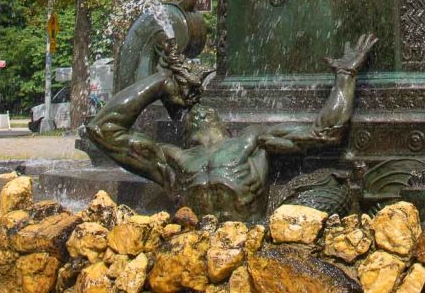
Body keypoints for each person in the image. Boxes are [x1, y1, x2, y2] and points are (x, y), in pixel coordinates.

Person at [82, 36, 377, 219]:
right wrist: (160, 83)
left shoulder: (253, 141)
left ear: (221, 120)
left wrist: (346, 74)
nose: (197, 111)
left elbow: (326, 132)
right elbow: (102, 129)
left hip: (252, 240)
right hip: (195, 250)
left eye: (205, 109)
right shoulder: (170, 161)